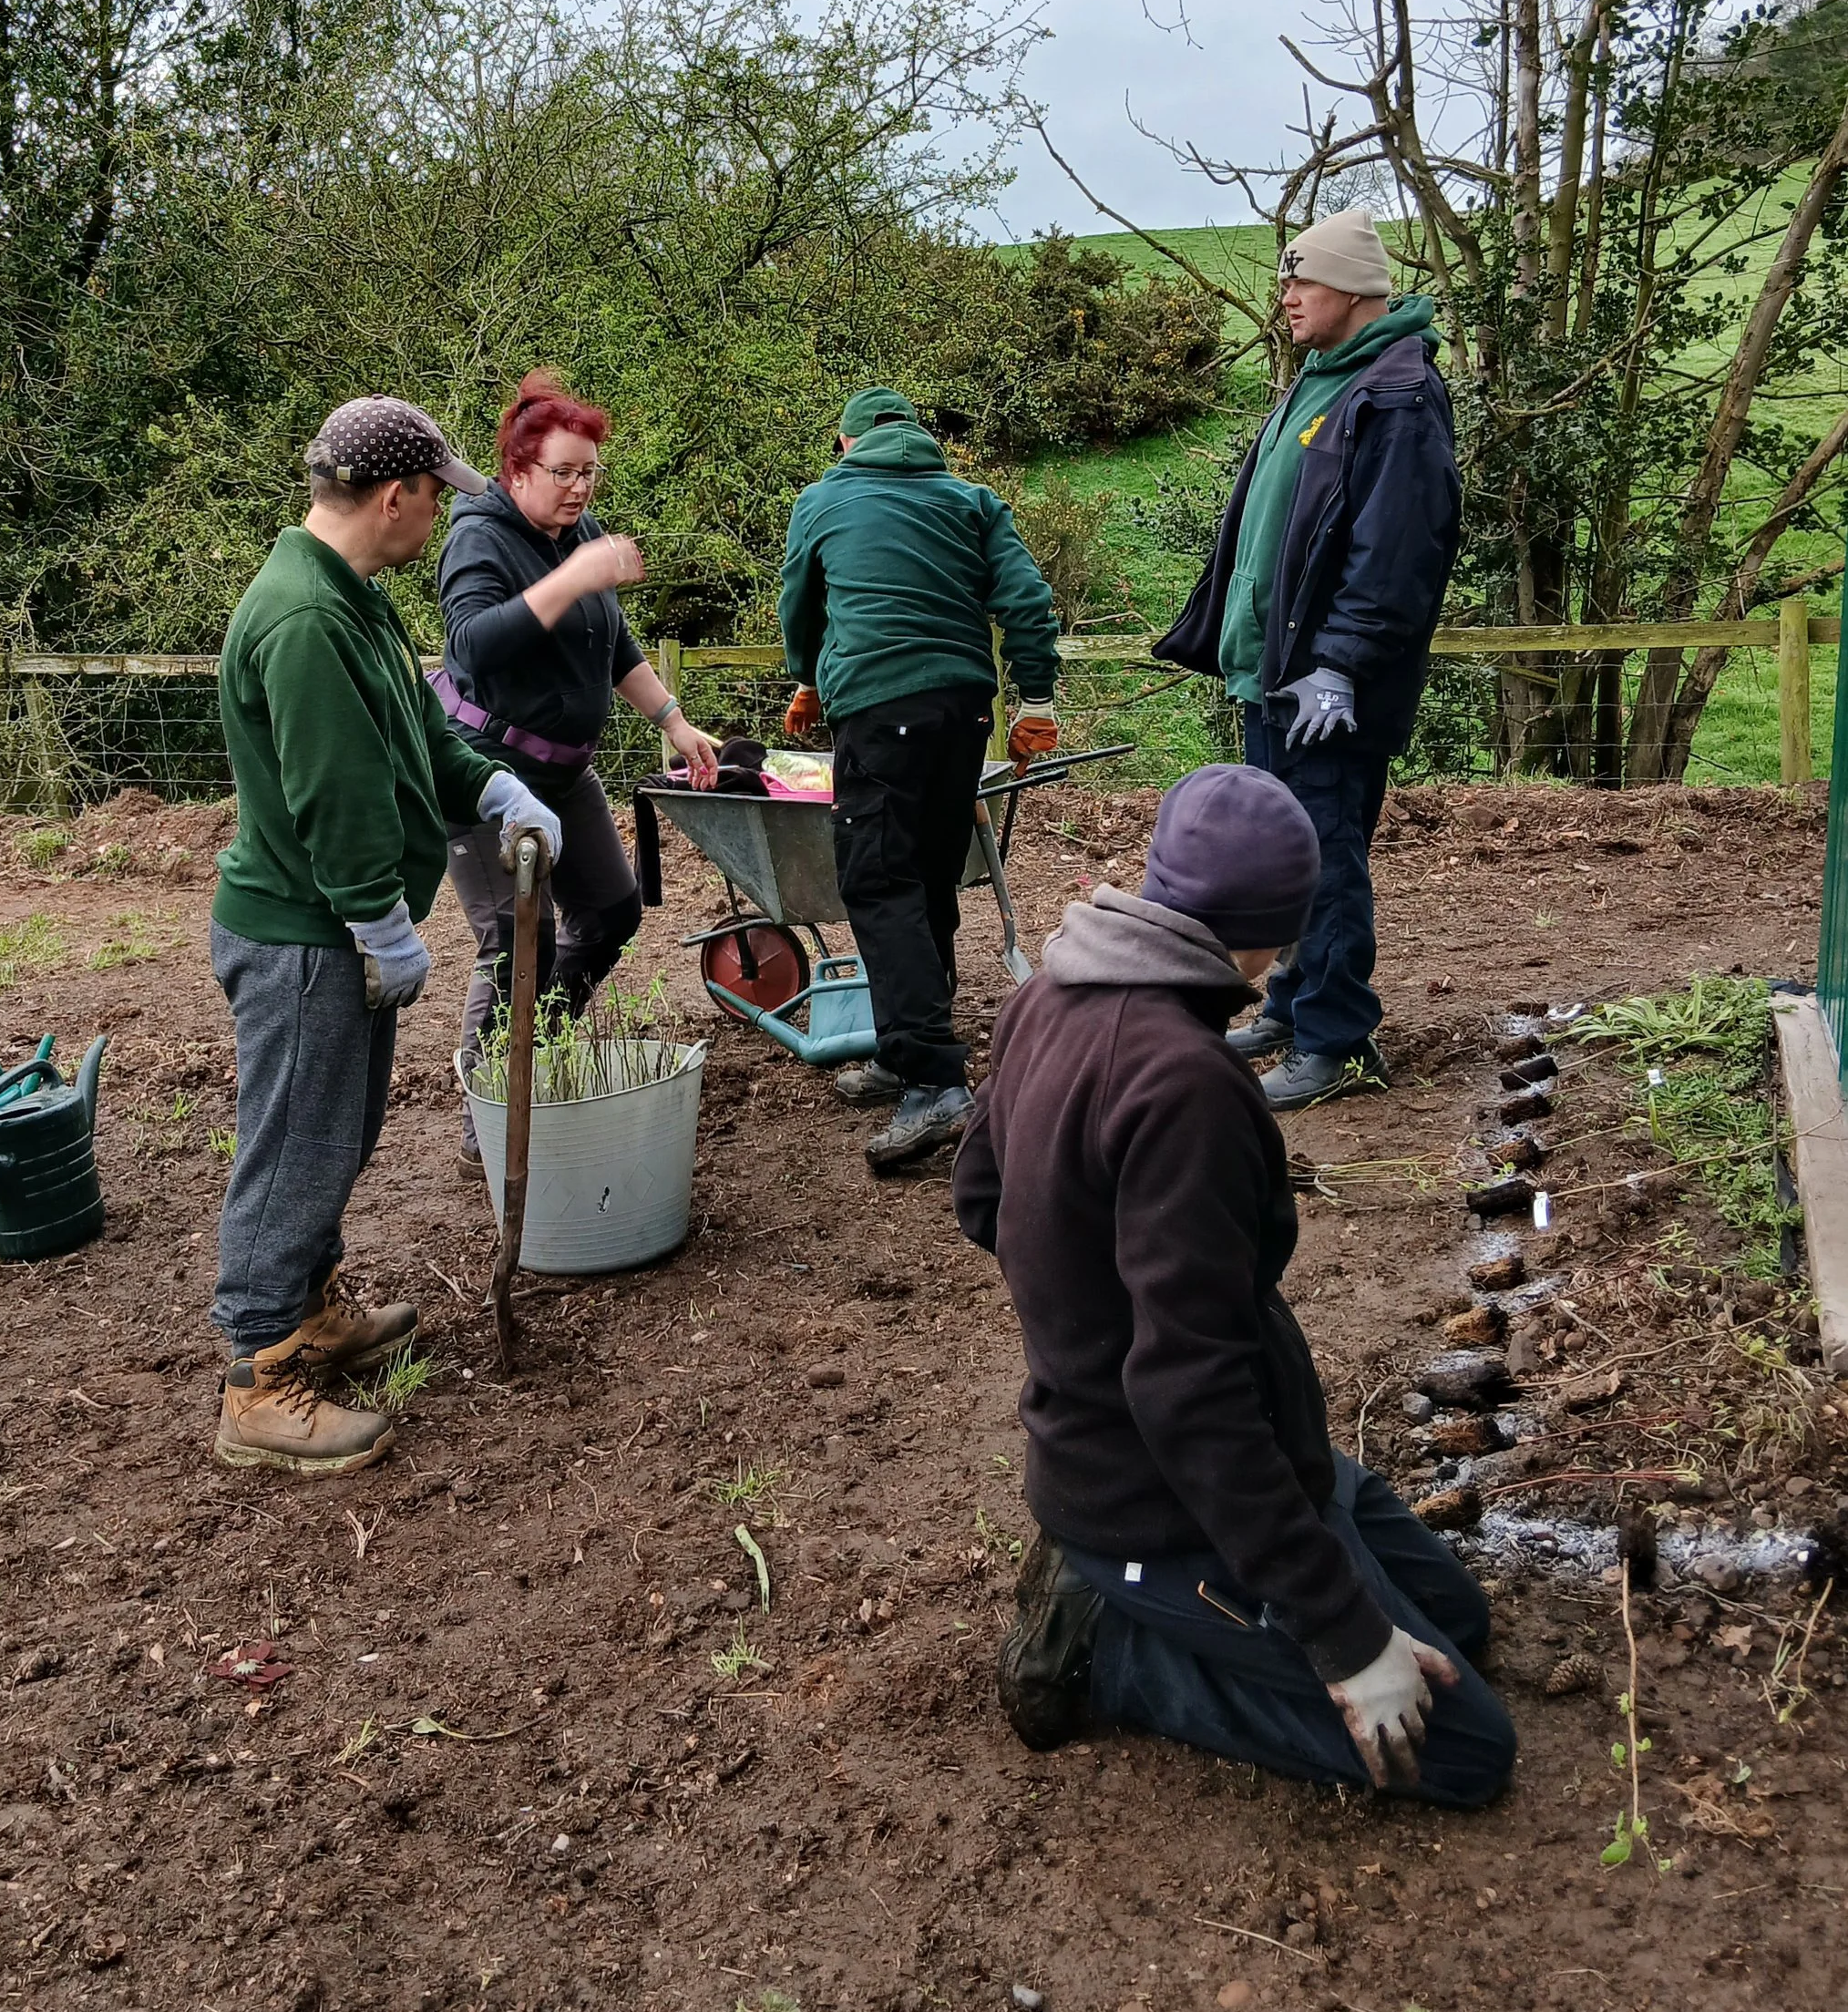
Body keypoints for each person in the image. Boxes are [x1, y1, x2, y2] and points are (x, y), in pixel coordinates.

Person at [953, 763, 1514, 1808]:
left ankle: (1279, 1540)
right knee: (1466, 1751)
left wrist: (1094, 1300)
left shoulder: (1041, 995)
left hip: (1233, 1438)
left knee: (1461, 1625)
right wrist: (1346, 1643)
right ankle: (1108, 1652)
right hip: (1150, 1496)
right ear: (1274, 928)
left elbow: (979, 1200)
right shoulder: (1188, 1086)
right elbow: (1183, 1393)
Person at [210, 396, 563, 1475]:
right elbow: (335, 796)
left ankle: (310, 1309)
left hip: (332, 929)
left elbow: (415, 737)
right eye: (434, 499)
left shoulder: (349, 598)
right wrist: (377, 920)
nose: (440, 525)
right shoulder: (306, 621)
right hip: (305, 932)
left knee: (337, 1135)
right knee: (295, 1148)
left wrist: (494, 784)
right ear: (394, 494)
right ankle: (259, 1376)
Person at [1153, 210, 1460, 1114]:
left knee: (1324, 857)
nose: (1284, 296)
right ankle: (1292, 1005)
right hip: (1277, 677)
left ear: (1357, 291)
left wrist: (1340, 664)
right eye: (1284, 281)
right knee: (1285, 856)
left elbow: (1397, 554)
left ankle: (1337, 1037)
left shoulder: (1396, 394)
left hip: (1328, 688)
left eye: (1302, 282)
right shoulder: (1323, 380)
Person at [435, 371, 719, 1159]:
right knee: (513, 940)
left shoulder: (580, 533)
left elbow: (613, 642)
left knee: (613, 911)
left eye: (589, 471)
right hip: (487, 770)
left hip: (566, 770)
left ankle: (535, 1048)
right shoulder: (478, 537)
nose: (580, 487)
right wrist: (569, 580)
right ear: (517, 471)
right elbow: (470, 649)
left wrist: (674, 719)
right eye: (564, 471)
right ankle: (485, 1119)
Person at [779, 386, 1061, 1175]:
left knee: (879, 881)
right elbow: (1027, 601)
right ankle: (907, 1053)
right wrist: (1034, 697)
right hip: (963, 711)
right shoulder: (971, 499)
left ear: (847, 443)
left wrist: (807, 675)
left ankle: (934, 1079)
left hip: (878, 708)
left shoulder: (823, 499)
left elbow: (799, 603)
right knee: (930, 879)